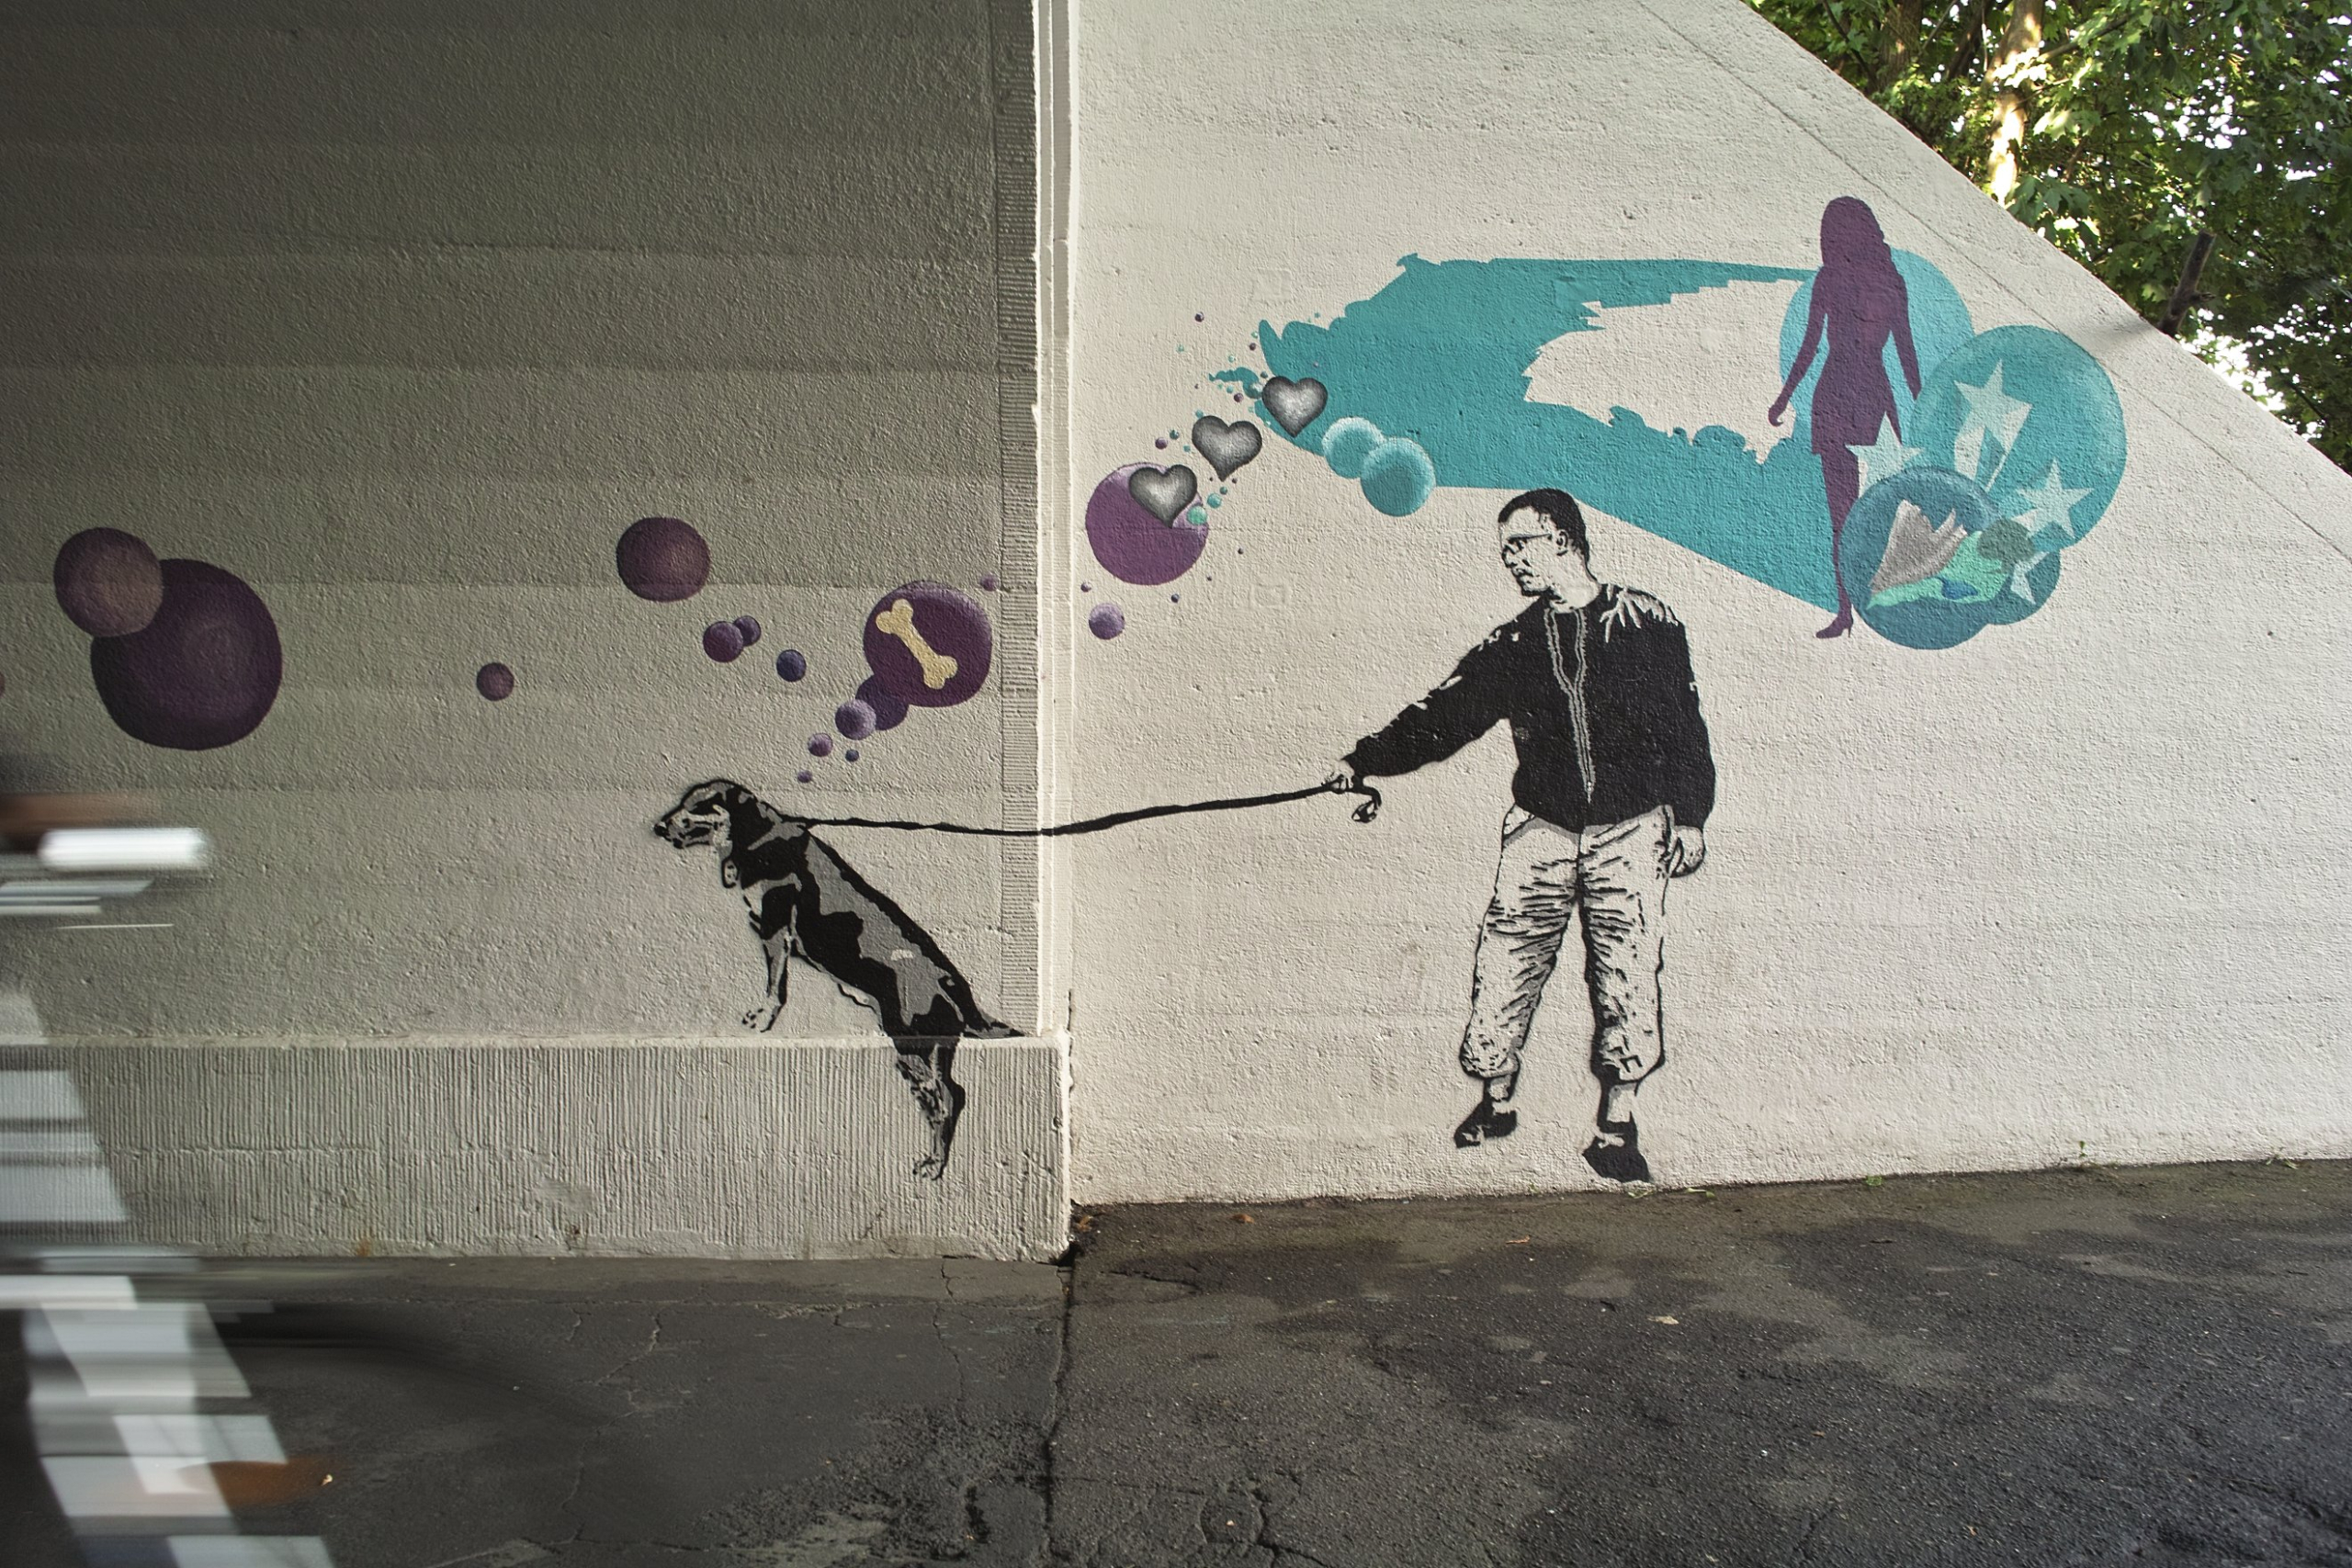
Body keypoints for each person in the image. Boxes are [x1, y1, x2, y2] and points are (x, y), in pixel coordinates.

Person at [1329, 489, 1715, 1183]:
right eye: (1504, 548)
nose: (1509, 559)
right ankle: (1496, 1100)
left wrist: (1689, 815)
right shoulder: (1513, 643)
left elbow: (1684, 724)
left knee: (1627, 969)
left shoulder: (1644, 621)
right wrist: (1363, 760)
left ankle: (1617, 1124)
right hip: (1541, 826)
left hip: (1632, 829)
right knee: (1507, 961)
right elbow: (1444, 716)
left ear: (1563, 540)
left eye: (1520, 545)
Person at [1767, 196, 1921, 638]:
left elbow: (1813, 346)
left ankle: (1852, 608)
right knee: (1860, 511)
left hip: (1843, 392)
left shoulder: (1840, 278)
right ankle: (1848, 608)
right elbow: (1904, 352)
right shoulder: (1880, 280)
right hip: (1864, 394)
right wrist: (1923, 401)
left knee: (1849, 513)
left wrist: (1784, 398)